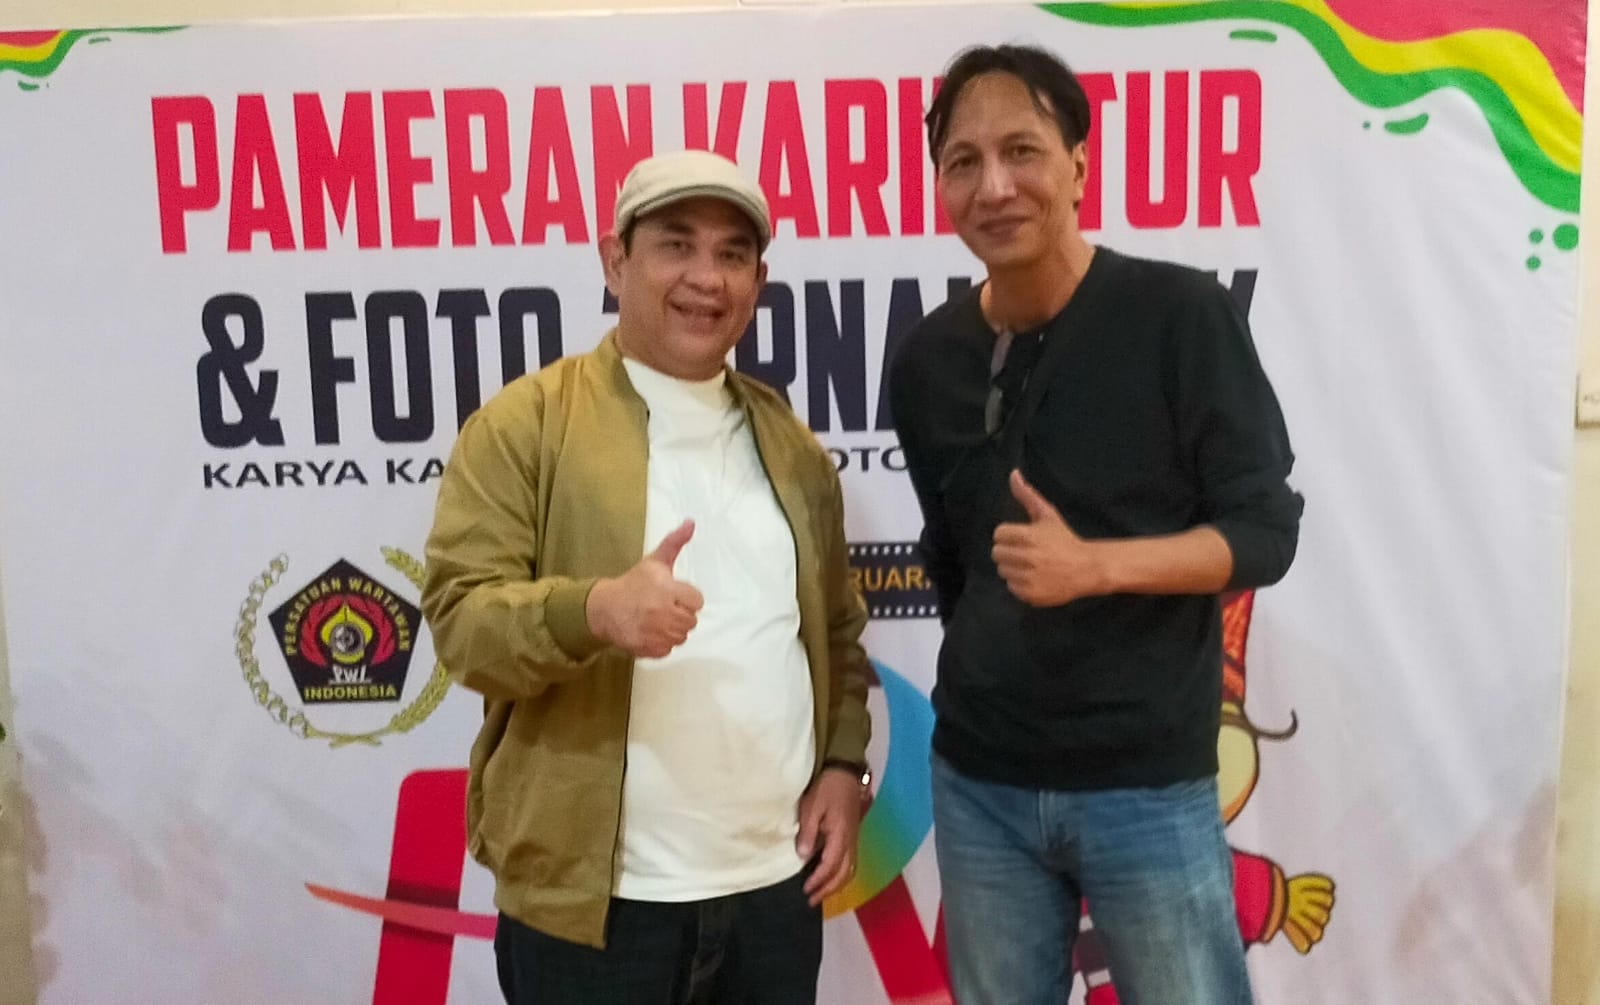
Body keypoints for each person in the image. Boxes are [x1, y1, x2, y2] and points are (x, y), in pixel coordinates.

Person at [888, 44, 1304, 1005]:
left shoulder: (1179, 315)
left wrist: (1097, 567)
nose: (995, 186)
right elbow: (954, 561)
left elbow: (1265, 532)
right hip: (979, 783)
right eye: (963, 161)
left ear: (1078, 163)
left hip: (1145, 783)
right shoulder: (925, 362)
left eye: (1022, 151)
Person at [422, 148, 872, 1004]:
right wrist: (593, 610)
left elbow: (839, 633)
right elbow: (462, 626)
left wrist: (847, 767)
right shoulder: (525, 424)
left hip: (774, 896)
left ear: (758, 281)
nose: (707, 277)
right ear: (615, 260)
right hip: (596, 911)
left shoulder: (792, 445)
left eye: (733, 254)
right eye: (676, 244)